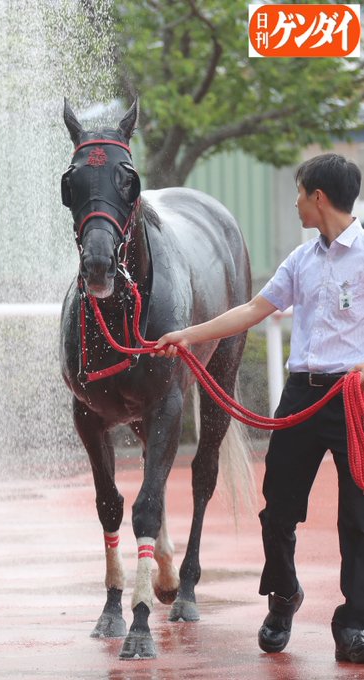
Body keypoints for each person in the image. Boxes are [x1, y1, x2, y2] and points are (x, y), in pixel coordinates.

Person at [154, 153, 364, 663]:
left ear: (318, 197)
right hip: (302, 394)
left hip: (354, 396)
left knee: (358, 517)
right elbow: (253, 309)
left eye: (299, 193)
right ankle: (283, 595)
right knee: (277, 509)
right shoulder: (302, 259)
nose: (295, 203)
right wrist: (187, 334)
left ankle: (355, 621)